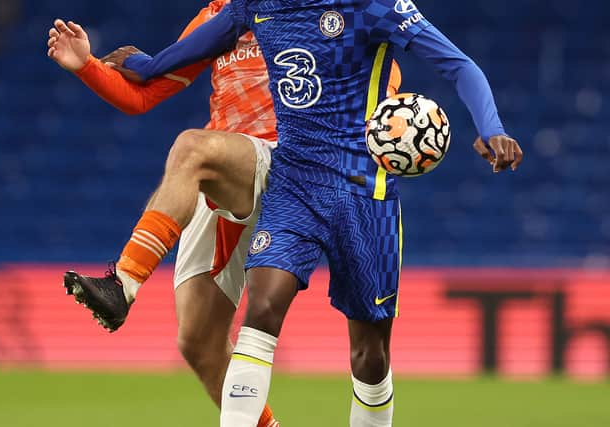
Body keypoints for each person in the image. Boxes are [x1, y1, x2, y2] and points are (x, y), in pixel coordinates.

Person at [111, 1, 524, 426]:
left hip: (365, 192)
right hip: (295, 183)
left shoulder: (373, 6)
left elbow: (459, 65)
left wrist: (491, 128)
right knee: (262, 311)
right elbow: (186, 53)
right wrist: (138, 66)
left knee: (369, 354)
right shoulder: (258, 5)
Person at [46, 2, 280, 426]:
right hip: (228, 167)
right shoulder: (218, 16)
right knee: (198, 342)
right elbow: (143, 95)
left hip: (287, 163)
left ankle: (124, 283)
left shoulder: (316, 9)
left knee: (192, 147)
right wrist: (86, 66)